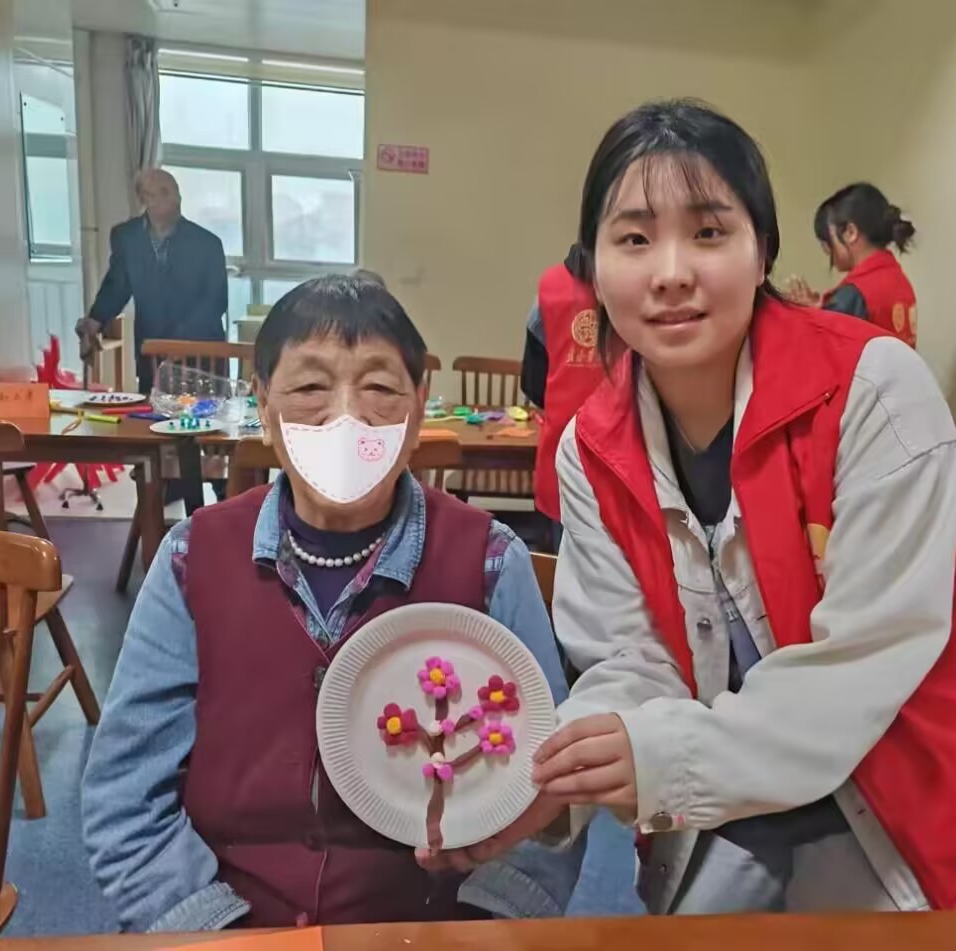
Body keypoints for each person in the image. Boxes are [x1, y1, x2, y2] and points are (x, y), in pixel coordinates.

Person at [477, 100, 956, 915]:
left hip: (917, 789)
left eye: (709, 232)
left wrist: (661, 758)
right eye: (634, 239)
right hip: (741, 794)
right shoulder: (590, 450)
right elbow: (628, 658)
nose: (671, 272)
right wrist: (566, 768)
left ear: (763, 249)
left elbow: (861, 666)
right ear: (592, 267)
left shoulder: (874, 390)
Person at [81, 274, 635, 930]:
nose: (346, 418)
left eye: (378, 388)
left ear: (419, 406)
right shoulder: (190, 557)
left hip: (430, 929)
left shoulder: (491, 561)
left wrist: (481, 930)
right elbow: (126, 796)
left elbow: (546, 802)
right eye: (310, 388)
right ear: (264, 406)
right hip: (226, 925)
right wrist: (208, 930)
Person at [76, 168, 229, 395]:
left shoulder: (207, 243)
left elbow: (216, 301)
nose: (175, 198)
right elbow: (117, 285)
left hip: (201, 352)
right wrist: (94, 321)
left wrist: (179, 342)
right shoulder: (127, 237)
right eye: (164, 192)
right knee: (153, 412)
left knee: (207, 414)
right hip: (152, 351)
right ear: (144, 199)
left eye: (175, 191)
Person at [520, 245, 606, 526]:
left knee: (564, 547)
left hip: (562, 451)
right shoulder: (640, 284)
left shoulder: (550, 287)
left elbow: (533, 383)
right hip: (628, 461)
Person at [785, 183, 919, 348]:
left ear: (850, 233)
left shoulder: (854, 295)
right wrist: (822, 310)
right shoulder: (899, 280)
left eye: (827, 243)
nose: (828, 252)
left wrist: (802, 316)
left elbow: (820, 350)